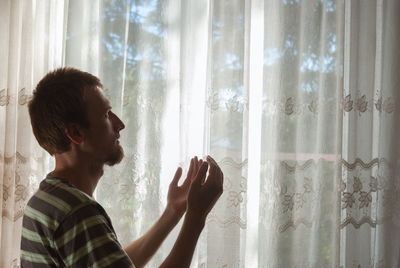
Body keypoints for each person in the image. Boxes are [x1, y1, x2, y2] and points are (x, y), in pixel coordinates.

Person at [20, 67, 224, 267]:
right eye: (107, 114)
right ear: (76, 133)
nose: (120, 124)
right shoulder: (77, 211)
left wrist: (173, 211)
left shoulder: (45, 201)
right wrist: (196, 217)